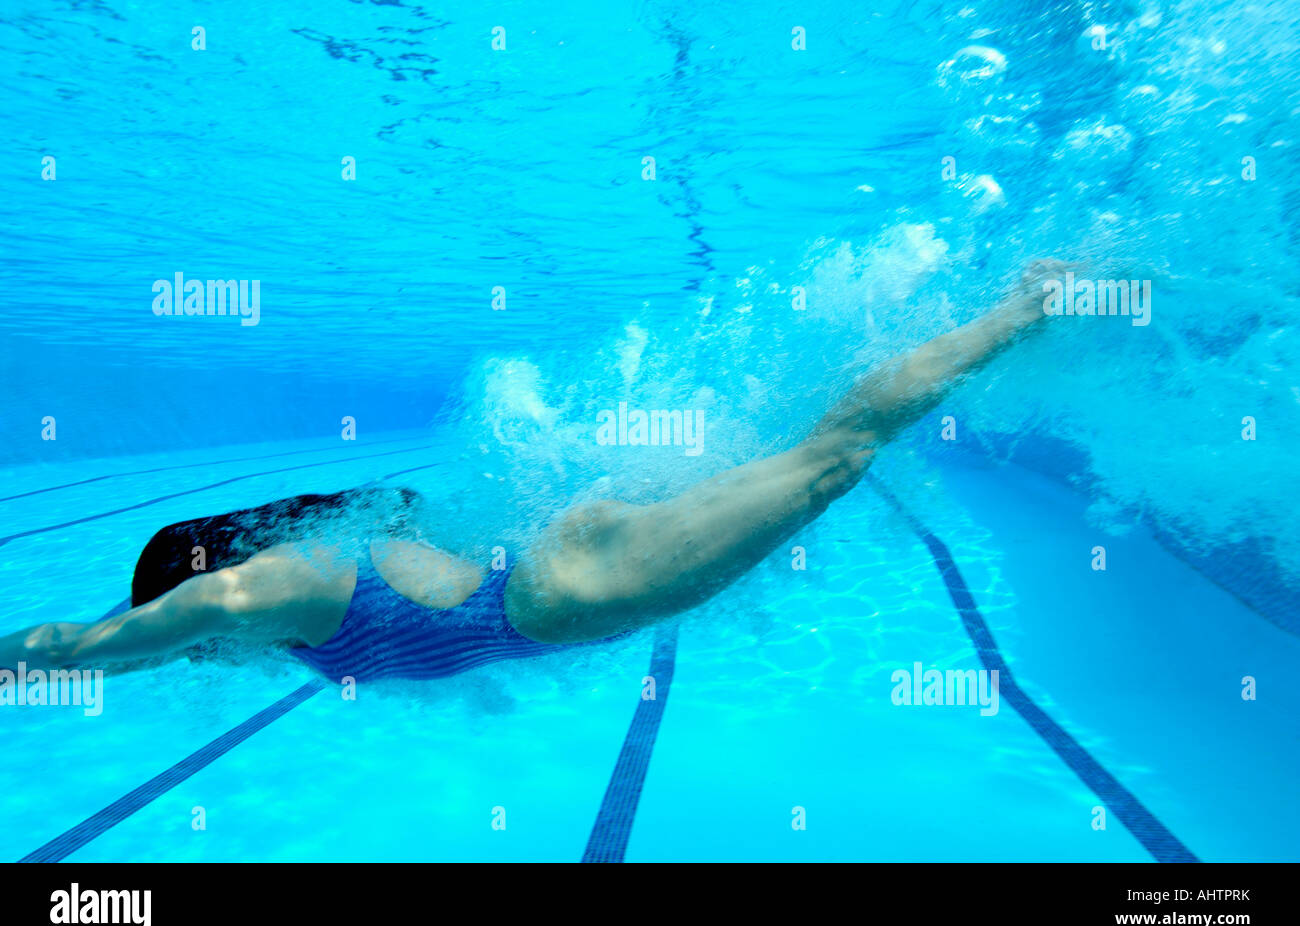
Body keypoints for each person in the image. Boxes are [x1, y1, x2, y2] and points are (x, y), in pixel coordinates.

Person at [1, 261, 1062, 681]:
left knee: (833, 456)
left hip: (571, 591)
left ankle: (1024, 306)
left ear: (201, 585)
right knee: (811, 450)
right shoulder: (307, 573)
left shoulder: (262, 590)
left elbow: (88, 645)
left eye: (193, 627)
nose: (202, 648)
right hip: (557, 569)